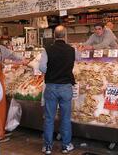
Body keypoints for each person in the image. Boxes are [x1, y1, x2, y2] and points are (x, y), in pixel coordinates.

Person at [39, 25, 76, 155]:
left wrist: (52, 70)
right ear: (65, 35)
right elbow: (78, 62)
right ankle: (66, 146)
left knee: (49, 118)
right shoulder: (72, 50)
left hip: (51, 87)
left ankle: (47, 147)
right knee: (65, 118)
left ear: (54, 35)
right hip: (66, 87)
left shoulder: (47, 50)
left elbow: (42, 68)